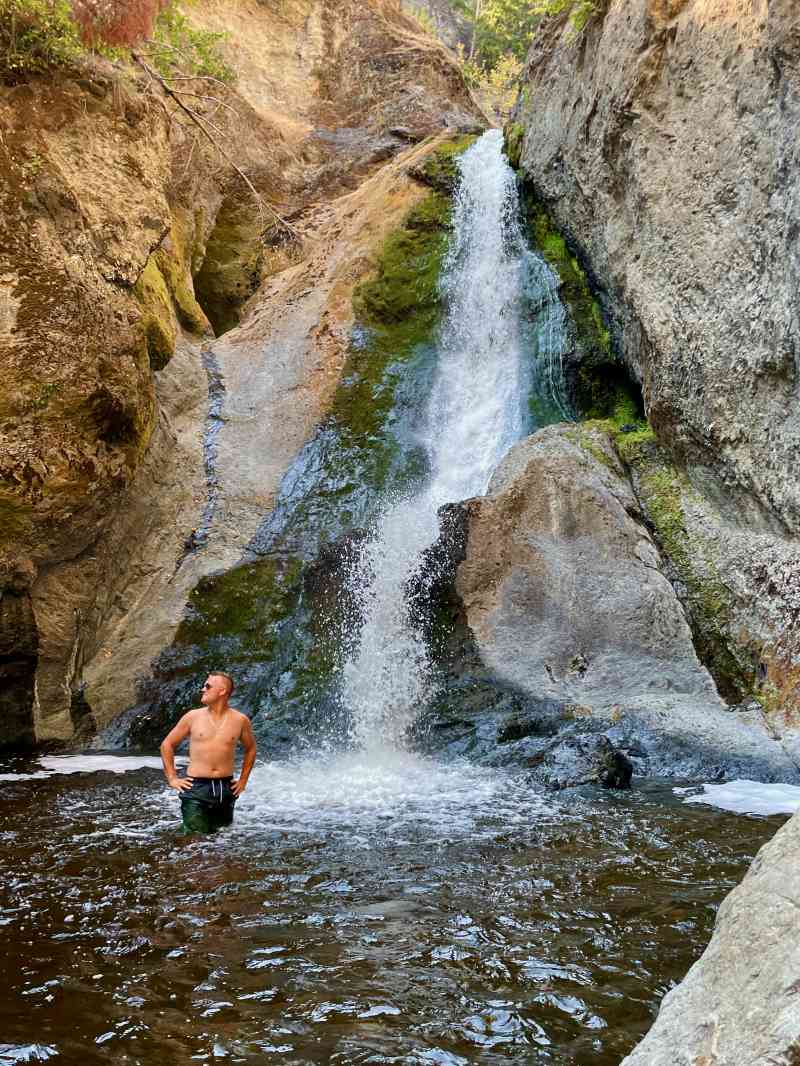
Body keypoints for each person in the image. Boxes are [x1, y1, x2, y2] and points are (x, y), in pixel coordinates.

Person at [160, 672, 257, 834]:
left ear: (222, 691)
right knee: (195, 839)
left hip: (226, 788)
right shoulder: (192, 717)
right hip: (197, 787)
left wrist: (243, 781)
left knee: (221, 839)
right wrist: (172, 778)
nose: (203, 689)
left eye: (208, 686)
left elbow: (251, 748)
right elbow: (167, 744)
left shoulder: (240, 720)